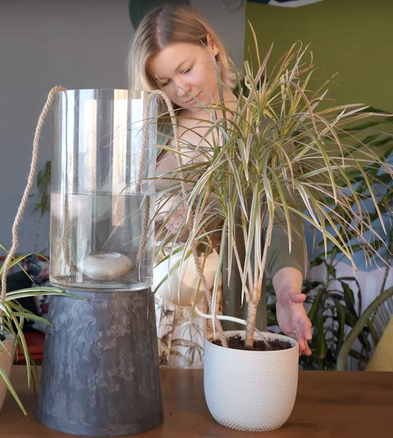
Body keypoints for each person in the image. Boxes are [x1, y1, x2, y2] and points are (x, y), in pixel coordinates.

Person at [127, 4, 312, 367]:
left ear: (211, 44)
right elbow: (119, 216)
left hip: (215, 316)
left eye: (185, 69)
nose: (180, 88)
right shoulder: (155, 129)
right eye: (164, 81)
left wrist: (288, 292)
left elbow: (283, 225)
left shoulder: (260, 129)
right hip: (145, 311)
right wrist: (152, 213)